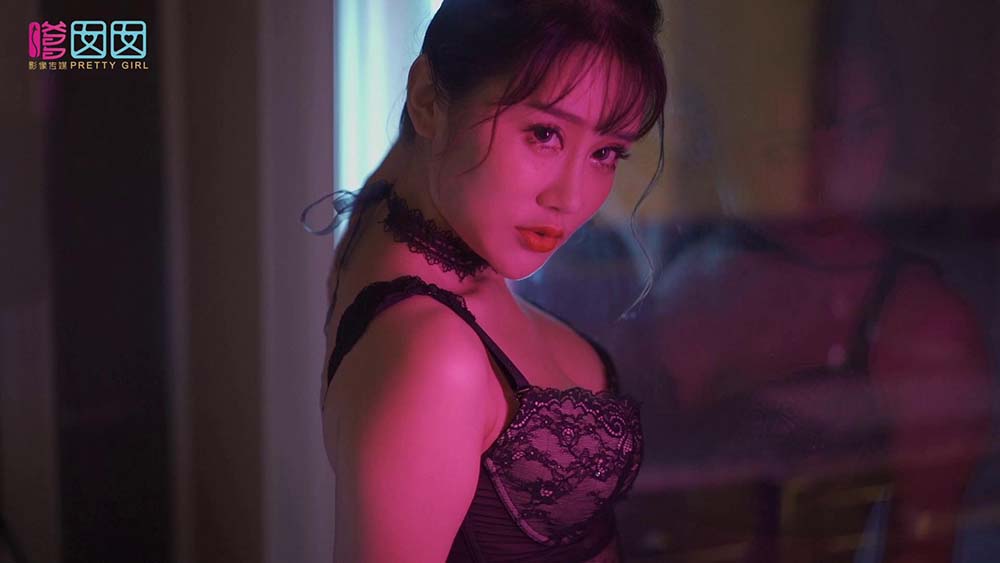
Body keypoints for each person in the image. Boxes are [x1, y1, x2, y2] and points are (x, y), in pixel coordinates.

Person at [300, 1, 668, 561]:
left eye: (606, 152)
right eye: (544, 133)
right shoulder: (433, 355)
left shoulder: (391, 218)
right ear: (427, 100)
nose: (570, 199)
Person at [629, 3, 994, 562]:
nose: (825, 169)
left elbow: (924, 540)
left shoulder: (920, 325)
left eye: (863, 128)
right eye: (786, 140)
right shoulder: (676, 260)